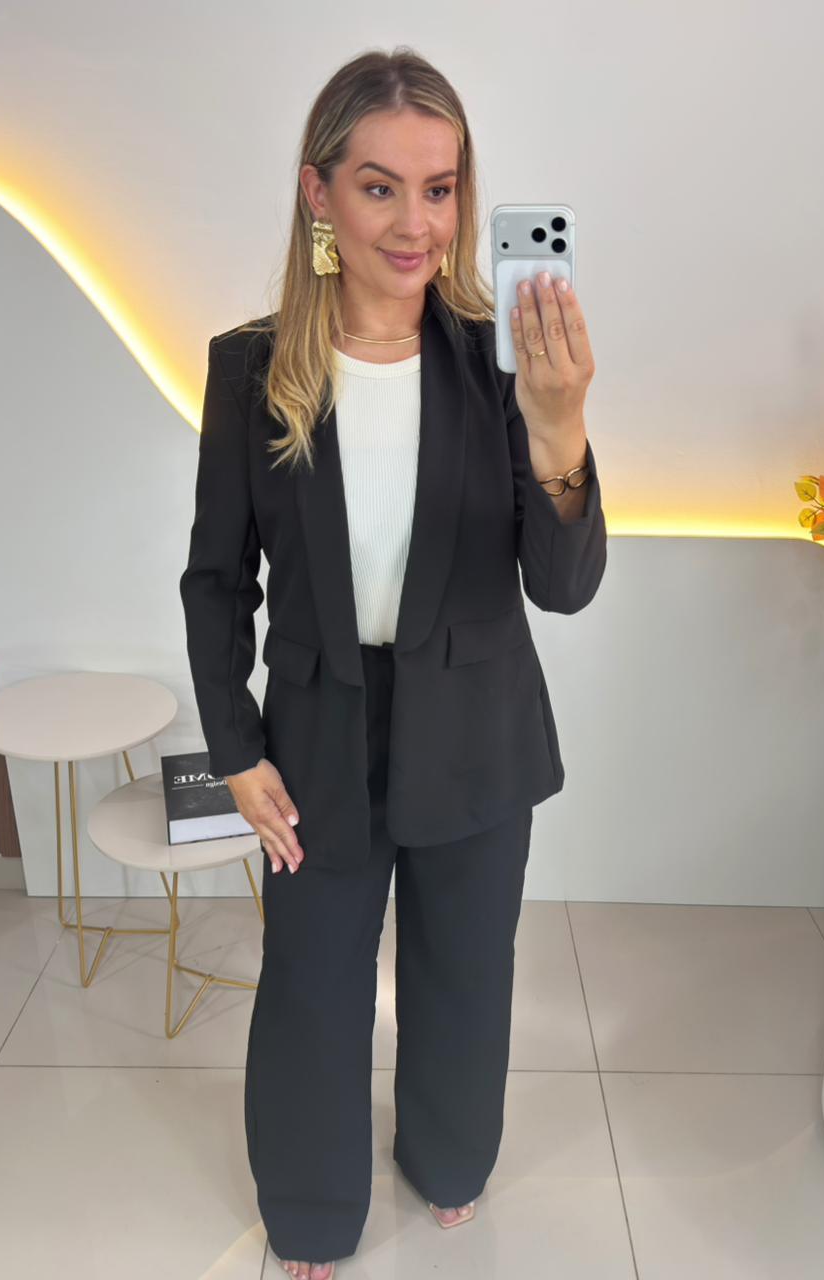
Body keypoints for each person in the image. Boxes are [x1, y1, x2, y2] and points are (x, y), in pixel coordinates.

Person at [179, 46, 607, 1280]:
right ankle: (314, 1207)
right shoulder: (251, 368)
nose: (416, 223)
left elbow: (563, 587)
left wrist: (562, 429)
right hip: (317, 734)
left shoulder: (502, 362)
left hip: (477, 727)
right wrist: (236, 748)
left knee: (464, 970)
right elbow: (217, 579)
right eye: (380, 187)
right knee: (312, 983)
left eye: (441, 187)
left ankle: (450, 1154)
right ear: (318, 192)